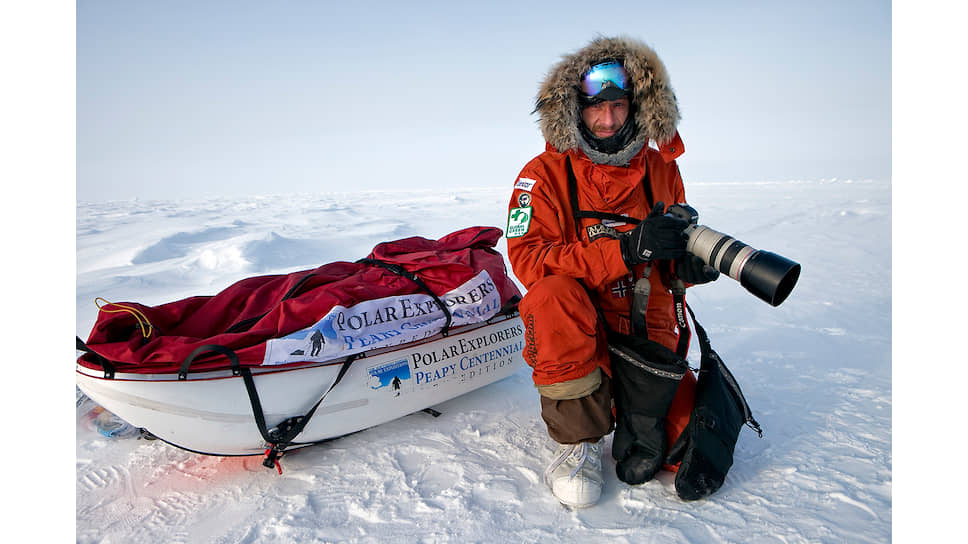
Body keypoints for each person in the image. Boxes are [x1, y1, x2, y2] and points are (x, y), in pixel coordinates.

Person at [506, 36, 719, 508]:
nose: (607, 120)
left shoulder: (661, 169)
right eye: (595, 109)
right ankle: (577, 440)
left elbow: (671, 246)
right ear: (574, 110)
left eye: (618, 106)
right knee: (550, 294)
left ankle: (638, 404)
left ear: (638, 106)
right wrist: (624, 249)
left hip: (646, 337)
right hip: (581, 336)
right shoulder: (540, 175)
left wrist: (685, 265)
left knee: (683, 451)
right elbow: (527, 260)